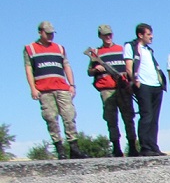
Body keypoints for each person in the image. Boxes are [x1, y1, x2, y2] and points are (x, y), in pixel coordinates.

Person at [23, 21, 87, 159]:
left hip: (62, 88)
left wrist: (72, 85)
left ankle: (74, 148)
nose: (51, 36)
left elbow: (66, 66)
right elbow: (28, 70)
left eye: (52, 33)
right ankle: (60, 149)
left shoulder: (59, 48)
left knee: (69, 116)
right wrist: (33, 89)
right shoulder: (30, 49)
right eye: (48, 33)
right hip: (44, 89)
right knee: (51, 118)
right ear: (40, 32)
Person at [87, 25, 138, 157]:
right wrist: (96, 69)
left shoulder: (121, 49)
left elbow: (130, 68)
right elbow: (89, 72)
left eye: (110, 34)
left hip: (123, 88)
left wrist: (130, 84)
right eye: (105, 35)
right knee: (111, 119)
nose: (108, 37)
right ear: (100, 36)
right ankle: (116, 148)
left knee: (129, 117)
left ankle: (132, 146)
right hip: (106, 90)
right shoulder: (95, 53)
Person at [124, 23, 167, 156]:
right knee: (146, 115)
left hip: (156, 86)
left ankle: (153, 145)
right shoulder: (130, 46)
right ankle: (145, 146)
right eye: (148, 34)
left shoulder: (148, 50)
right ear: (140, 35)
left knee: (154, 117)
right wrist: (134, 80)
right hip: (143, 85)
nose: (151, 37)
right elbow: (129, 66)